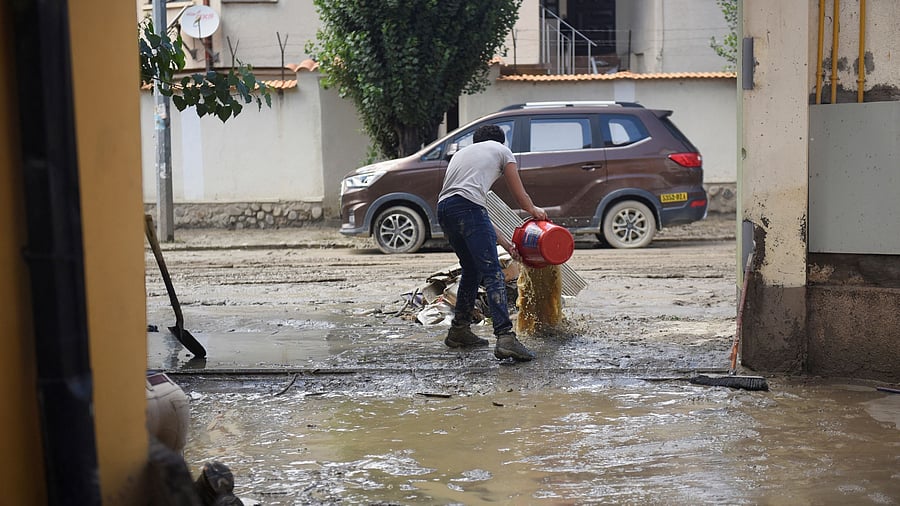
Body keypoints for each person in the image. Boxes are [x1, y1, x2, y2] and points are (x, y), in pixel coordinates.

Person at [437, 124, 547, 361]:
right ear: (501, 141)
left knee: (472, 269)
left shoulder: (462, 156)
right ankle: (506, 337)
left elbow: (478, 214)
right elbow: (519, 194)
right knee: (493, 272)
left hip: (445, 210)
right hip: (467, 209)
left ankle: (459, 331)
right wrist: (534, 210)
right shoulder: (501, 150)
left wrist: (507, 245)